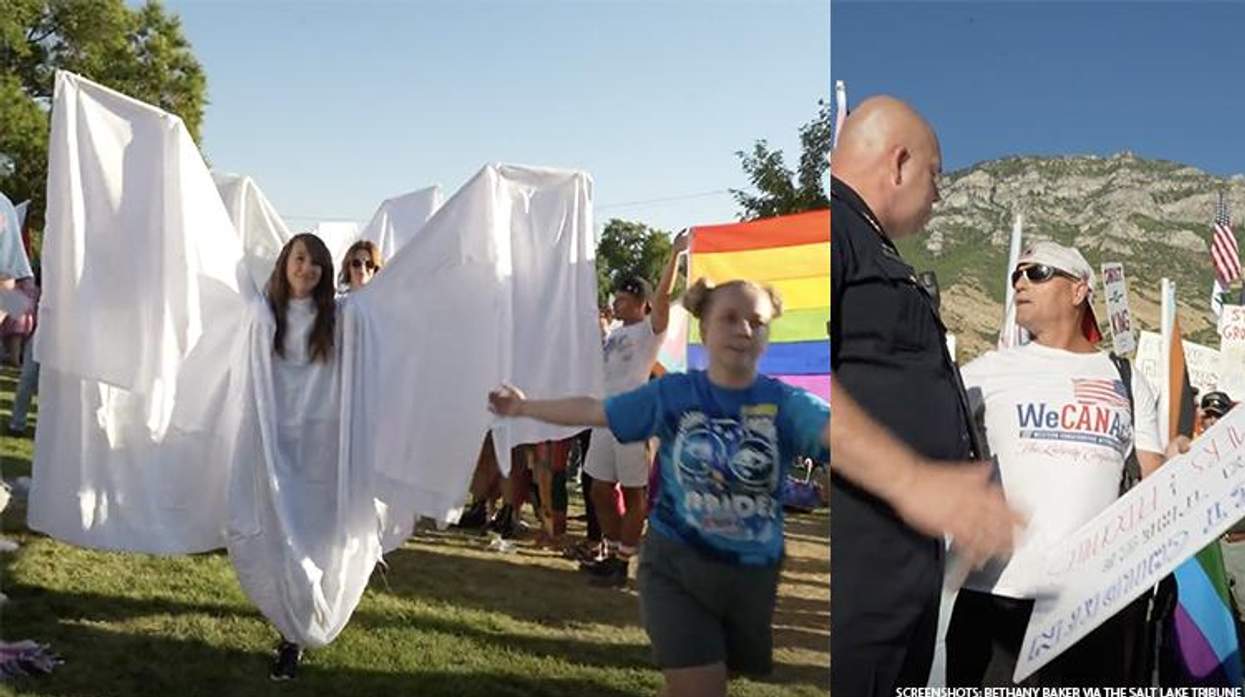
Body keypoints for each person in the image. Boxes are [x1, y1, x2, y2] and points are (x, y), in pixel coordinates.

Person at [489, 277, 827, 697]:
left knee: (709, 681)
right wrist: (524, 406)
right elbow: (595, 410)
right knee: (701, 686)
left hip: (750, 577)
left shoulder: (788, 405)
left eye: (756, 321)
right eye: (729, 318)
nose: (743, 329)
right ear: (704, 328)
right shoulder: (676, 394)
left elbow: (845, 438)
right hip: (676, 567)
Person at [830, 95, 1023, 696]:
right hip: (858, 566)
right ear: (899, 163)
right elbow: (789, 374)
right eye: (936, 175)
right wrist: (914, 480)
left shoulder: (871, 246)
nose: (940, 195)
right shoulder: (831, 228)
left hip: (899, 569)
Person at [946, 241, 1176, 687]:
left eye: (1037, 272)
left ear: (1078, 291)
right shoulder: (985, 371)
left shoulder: (1126, 378)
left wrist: (1185, 458)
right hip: (997, 599)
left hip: (1094, 609)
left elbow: (1152, 482)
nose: (1019, 283)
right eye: (1016, 274)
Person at [236, 233, 341, 681]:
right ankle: (287, 623)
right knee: (277, 537)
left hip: (319, 449)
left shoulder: (340, 319)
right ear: (285, 263)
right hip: (272, 442)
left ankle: (293, 634)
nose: (307, 269)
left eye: (316, 263)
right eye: (300, 259)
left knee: (311, 539)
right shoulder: (261, 315)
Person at [580, 232, 688, 587]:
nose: (617, 304)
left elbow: (663, 297)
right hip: (604, 418)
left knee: (632, 491)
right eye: (616, 298)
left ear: (641, 302)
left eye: (624, 299)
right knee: (598, 488)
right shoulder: (614, 332)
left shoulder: (649, 331)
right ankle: (611, 553)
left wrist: (674, 256)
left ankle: (624, 560)